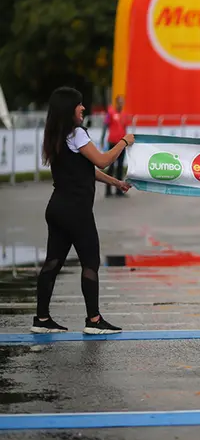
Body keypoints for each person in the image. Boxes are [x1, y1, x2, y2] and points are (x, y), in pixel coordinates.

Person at [32, 87, 134, 334]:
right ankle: (94, 320)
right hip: (76, 210)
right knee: (90, 262)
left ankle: (42, 320)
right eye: (79, 104)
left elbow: (88, 170)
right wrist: (123, 142)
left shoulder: (57, 135)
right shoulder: (77, 133)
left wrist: (116, 182)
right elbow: (102, 160)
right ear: (69, 109)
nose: (83, 108)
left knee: (53, 263)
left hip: (57, 208)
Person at [103, 95, 128, 198]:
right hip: (113, 143)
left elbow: (125, 127)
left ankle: (119, 190)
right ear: (116, 103)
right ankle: (108, 190)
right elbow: (105, 125)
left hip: (122, 143)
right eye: (120, 102)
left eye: (123, 102)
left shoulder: (124, 114)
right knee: (111, 166)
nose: (121, 104)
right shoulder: (110, 112)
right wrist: (102, 138)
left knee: (120, 167)